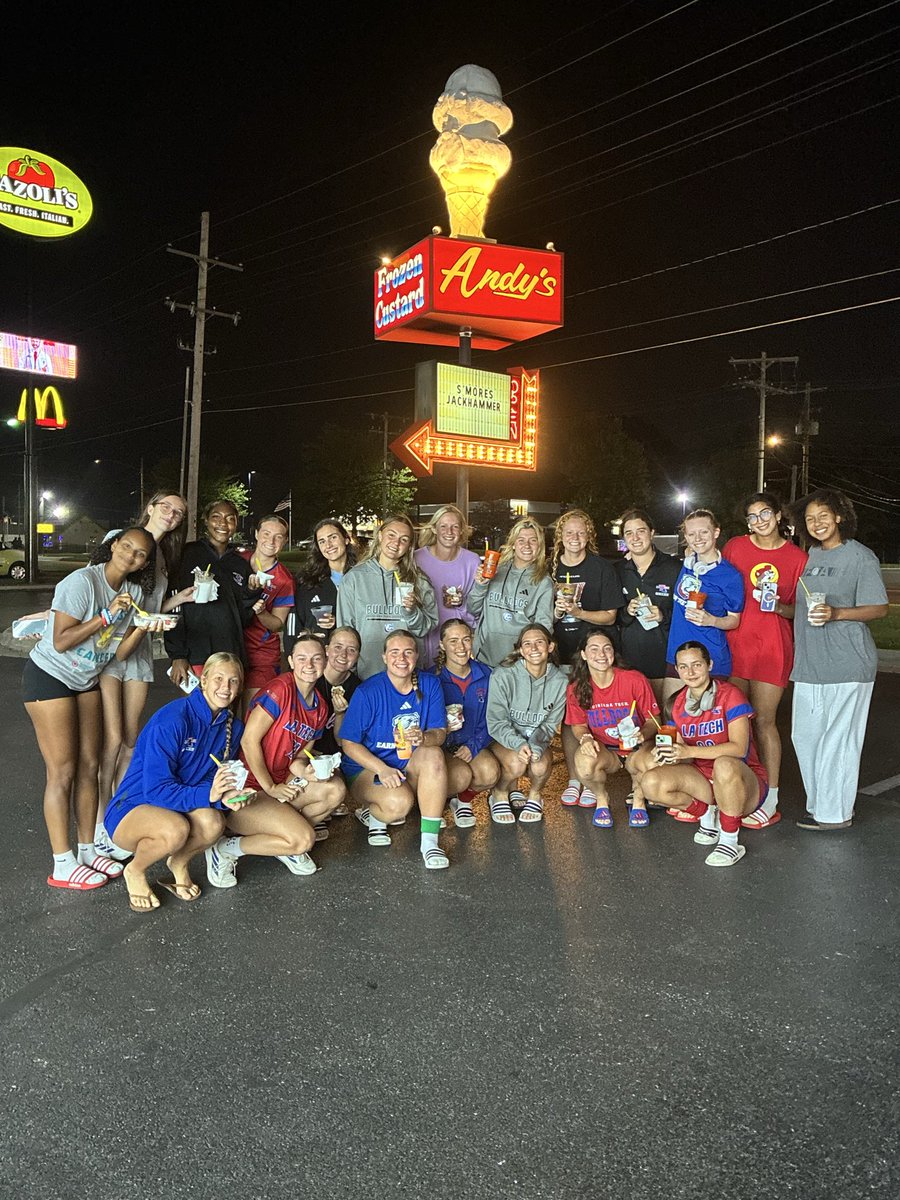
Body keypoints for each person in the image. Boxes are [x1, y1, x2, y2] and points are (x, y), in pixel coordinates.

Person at [23, 527, 161, 891]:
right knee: (62, 770)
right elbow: (61, 640)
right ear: (113, 545)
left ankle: (86, 850)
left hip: (86, 681)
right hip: (49, 676)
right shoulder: (82, 582)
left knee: (91, 765)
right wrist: (104, 616)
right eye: (126, 547)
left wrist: (144, 627)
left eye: (140, 554)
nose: (131, 555)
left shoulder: (132, 592)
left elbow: (117, 653)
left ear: (145, 562)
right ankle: (62, 862)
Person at [103, 653, 253, 912]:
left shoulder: (232, 726)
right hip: (134, 807)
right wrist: (210, 795)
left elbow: (211, 777)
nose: (225, 688)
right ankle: (135, 870)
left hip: (176, 806)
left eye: (233, 681)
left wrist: (226, 794)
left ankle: (179, 862)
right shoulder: (173, 720)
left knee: (214, 822)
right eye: (218, 678)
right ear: (202, 681)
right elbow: (156, 789)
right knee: (175, 829)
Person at [96, 491, 196, 860]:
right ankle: (100, 816)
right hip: (109, 652)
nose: (172, 515)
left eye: (179, 513)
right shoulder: (120, 540)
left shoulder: (163, 559)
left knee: (130, 739)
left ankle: (122, 813)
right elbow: (95, 587)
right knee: (112, 738)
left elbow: (152, 611)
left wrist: (180, 599)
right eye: (166, 507)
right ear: (151, 507)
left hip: (137, 655)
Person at [203, 635, 347, 887]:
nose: (309, 664)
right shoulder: (280, 690)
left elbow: (300, 756)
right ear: (291, 661)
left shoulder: (321, 708)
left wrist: (308, 772)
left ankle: (282, 843)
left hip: (280, 785)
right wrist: (270, 787)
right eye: (302, 658)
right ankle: (226, 849)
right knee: (304, 840)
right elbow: (249, 742)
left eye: (316, 658)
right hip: (248, 790)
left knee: (335, 789)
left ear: (325, 662)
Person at [790, 489, 888, 830]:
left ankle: (835, 814)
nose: (817, 523)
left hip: (848, 662)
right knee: (805, 737)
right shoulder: (810, 557)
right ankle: (818, 805)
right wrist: (778, 607)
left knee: (838, 740)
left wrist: (837, 613)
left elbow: (879, 607)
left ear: (839, 517)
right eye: (810, 519)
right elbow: (803, 607)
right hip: (809, 663)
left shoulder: (860, 557)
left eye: (823, 516)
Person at [641, 642, 769, 867]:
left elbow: (739, 748)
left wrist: (689, 750)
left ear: (709, 665)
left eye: (696, 665)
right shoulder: (678, 703)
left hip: (742, 782)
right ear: (678, 670)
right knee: (651, 781)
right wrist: (670, 753)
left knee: (724, 764)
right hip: (703, 780)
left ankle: (730, 841)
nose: (690, 672)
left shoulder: (731, 695)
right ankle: (707, 813)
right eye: (683, 667)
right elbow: (684, 754)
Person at [723, 492, 808, 829]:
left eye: (764, 514)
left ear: (778, 515)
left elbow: (799, 609)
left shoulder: (797, 557)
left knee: (764, 722)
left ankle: (771, 796)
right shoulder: (735, 548)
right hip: (736, 645)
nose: (759, 521)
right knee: (735, 723)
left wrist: (780, 608)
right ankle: (739, 787)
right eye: (752, 517)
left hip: (773, 646)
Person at [339, 630, 451, 868]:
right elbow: (348, 743)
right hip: (368, 767)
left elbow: (439, 733)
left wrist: (424, 737)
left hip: (407, 762)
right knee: (398, 804)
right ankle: (374, 811)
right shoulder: (368, 691)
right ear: (384, 657)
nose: (402, 658)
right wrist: (381, 769)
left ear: (417, 656)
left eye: (408, 652)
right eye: (395, 652)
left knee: (433, 754)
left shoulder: (429, 684)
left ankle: (430, 843)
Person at [564, 630, 660, 827]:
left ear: (613, 652)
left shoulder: (634, 679)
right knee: (583, 764)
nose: (601, 654)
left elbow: (654, 719)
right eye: (594, 649)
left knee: (652, 762)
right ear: (583, 654)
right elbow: (579, 726)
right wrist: (586, 739)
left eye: (607, 648)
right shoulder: (577, 687)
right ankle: (601, 798)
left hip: (637, 747)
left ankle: (639, 798)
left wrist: (643, 734)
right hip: (606, 749)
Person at [165, 498, 263, 686]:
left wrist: (251, 593)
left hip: (230, 654)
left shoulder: (240, 564)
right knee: (198, 711)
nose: (223, 524)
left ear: (236, 523)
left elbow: (243, 619)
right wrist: (177, 654)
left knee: (227, 712)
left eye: (230, 518)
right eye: (216, 517)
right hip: (195, 654)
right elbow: (174, 605)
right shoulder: (188, 554)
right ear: (206, 520)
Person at [336, 513, 438, 679]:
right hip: (367, 675)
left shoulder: (420, 581)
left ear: (409, 546)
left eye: (404, 539)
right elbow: (345, 632)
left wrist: (411, 611)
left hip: (408, 676)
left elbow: (426, 628)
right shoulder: (354, 579)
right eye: (391, 535)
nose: (396, 543)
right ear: (380, 535)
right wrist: (351, 671)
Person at [485, 623, 567, 824]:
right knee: (516, 763)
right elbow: (496, 721)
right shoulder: (503, 675)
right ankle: (500, 792)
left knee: (539, 765)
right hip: (504, 740)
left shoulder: (560, 681)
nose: (534, 648)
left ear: (550, 647)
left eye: (539, 642)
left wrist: (537, 745)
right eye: (527, 644)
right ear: (520, 650)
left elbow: (550, 725)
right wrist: (517, 744)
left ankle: (534, 795)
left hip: (536, 738)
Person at [433, 617, 500, 827]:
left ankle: (462, 802)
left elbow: (495, 718)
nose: (461, 647)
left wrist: (474, 745)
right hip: (440, 745)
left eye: (466, 639)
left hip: (471, 742)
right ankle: (433, 805)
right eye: (453, 641)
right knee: (455, 777)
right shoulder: (430, 678)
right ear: (442, 645)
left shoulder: (487, 675)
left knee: (490, 773)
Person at [666, 508, 744, 680]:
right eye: (692, 534)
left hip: (710, 657)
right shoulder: (687, 563)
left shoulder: (731, 576)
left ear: (716, 532)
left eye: (703, 532)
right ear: (686, 537)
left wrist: (711, 620)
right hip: (677, 653)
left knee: (709, 707)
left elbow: (734, 620)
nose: (698, 539)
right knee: (672, 707)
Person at [615, 508, 682, 703]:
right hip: (628, 663)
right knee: (636, 722)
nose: (635, 537)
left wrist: (663, 615)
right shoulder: (617, 571)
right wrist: (627, 612)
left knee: (665, 720)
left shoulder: (674, 568)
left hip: (665, 661)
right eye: (629, 533)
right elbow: (611, 615)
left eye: (641, 531)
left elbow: (686, 612)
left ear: (652, 533)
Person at [468, 516, 554, 668]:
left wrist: (531, 657)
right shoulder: (495, 571)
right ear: (513, 544)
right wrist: (480, 585)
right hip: (484, 658)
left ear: (539, 546)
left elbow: (544, 626)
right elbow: (473, 609)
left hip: (518, 661)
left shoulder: (543, 582)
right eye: (521, 540)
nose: (527, 545)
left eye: (533, 540)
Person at [549, 509, 619, 665]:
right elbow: (540, 617)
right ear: (561, 536)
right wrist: (558, 612)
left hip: (595, 657)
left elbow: (610, 617)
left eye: (581, 533)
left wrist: (579, 613)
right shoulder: (548, 568)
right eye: (569, 533)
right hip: (558, 653)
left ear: (589, 536)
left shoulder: (603, 569)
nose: (575, 538)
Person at [415, 504, 481, 668]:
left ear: (461, 531)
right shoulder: (416, 559)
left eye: (454, 527)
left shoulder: (472, 561)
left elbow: (478, 606)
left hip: (457, 640)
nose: (449, 532)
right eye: (443, 526)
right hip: (425, 636)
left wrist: (462, 603)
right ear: (435, 529)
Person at [240, 513, 295, 710]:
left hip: (260, 656)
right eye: (266, 533)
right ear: (256, 534)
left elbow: (278, 623)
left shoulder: (284, 579)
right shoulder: (238, 560)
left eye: (278, 536)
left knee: (251, 718)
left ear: (285, 540)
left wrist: (262, 612)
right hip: (231, 646)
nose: (271, 541)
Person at [287, 519, 357, 652]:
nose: (328, 545)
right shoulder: (308, 581)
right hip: (319, 661)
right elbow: (294, 624)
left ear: (346, 539)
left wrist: (337, 621)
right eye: (322, 541)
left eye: (333, 537)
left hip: (356, 658)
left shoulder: (362, 578)